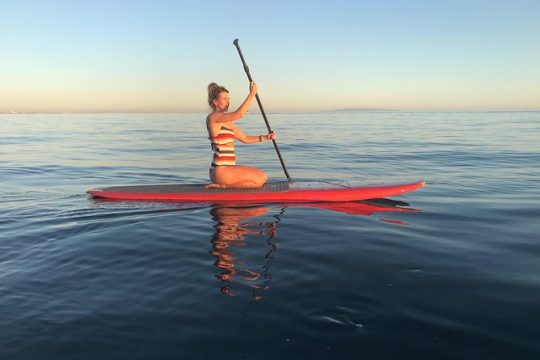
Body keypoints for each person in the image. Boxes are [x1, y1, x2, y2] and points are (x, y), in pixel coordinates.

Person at [206, 81, 276, 188]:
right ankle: (224, 186)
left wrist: (265, 137)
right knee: (262, 177)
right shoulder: (213, 118)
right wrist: (252, 94)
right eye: (225, 99)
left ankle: (225, 186)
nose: (228, 102)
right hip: (221, 170)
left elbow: (245, 138)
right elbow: (239, 114)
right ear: (215, 101)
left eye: (228, 99)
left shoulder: (226, 122)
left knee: (259, 180)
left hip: (226, 170)